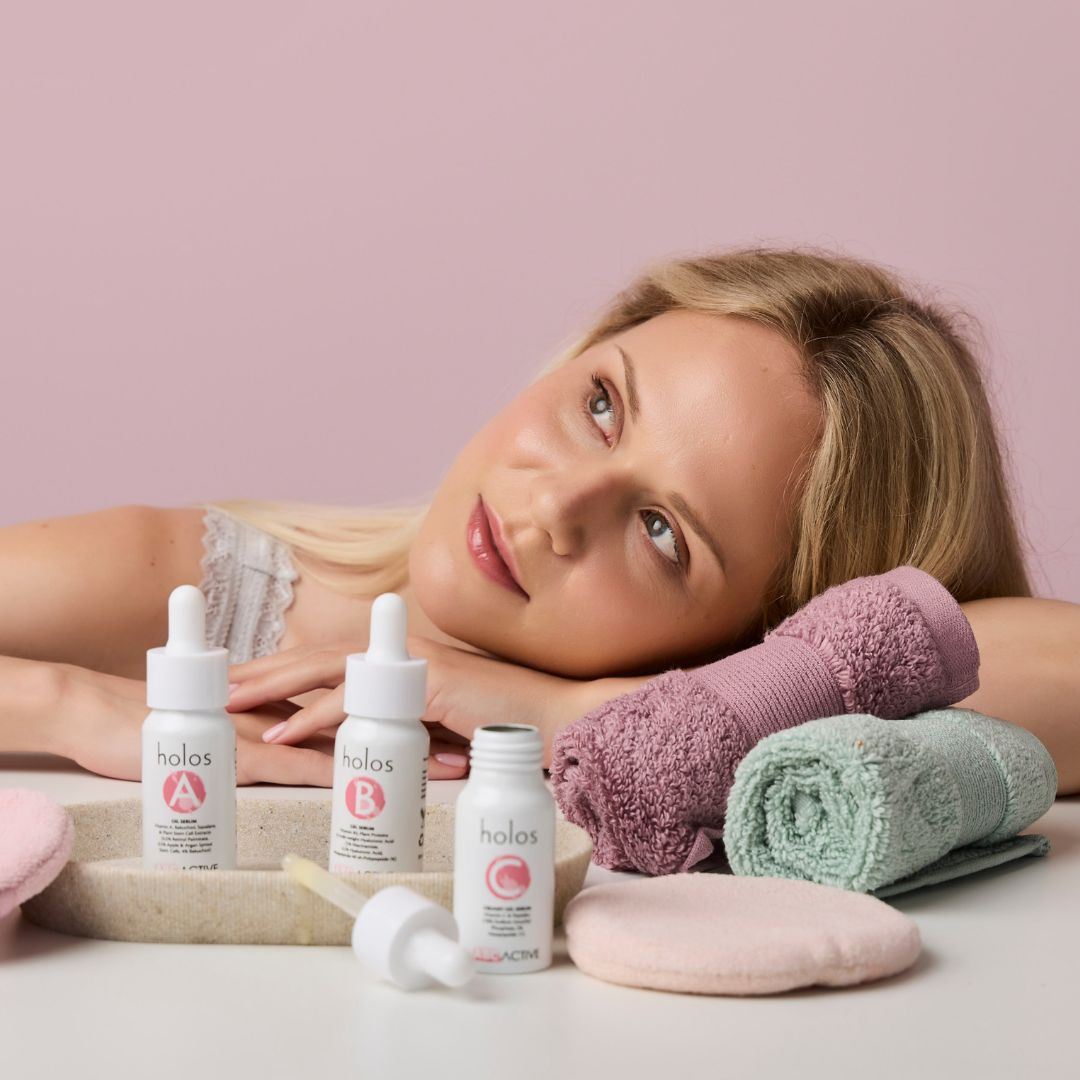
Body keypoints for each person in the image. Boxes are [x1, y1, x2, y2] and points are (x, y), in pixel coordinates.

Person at [3, 246, 1078, 793]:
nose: (554, 505)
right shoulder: (208, 592)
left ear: (763, 636)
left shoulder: (733, 743)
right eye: (601, 405)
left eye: (663, 531)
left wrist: (573, 718)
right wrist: (68, 708)